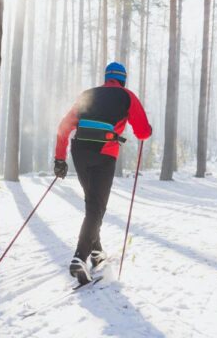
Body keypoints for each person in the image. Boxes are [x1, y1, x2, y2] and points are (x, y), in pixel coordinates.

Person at [54, 62, 152, 284]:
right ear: (123, 79)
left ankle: (97, 253)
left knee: (92, 204)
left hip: (79, 152)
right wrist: (148, 131)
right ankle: (80, 257)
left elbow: (63, 126)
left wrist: (59, 159)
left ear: (106, 77)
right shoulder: (127, 96)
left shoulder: (87, 94)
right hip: (105, 154)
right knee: (96, 207)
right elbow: (143, 131)